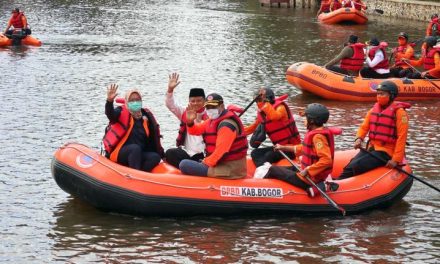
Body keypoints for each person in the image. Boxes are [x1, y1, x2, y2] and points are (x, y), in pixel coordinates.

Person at [262, 103, 339, 197]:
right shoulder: (317, 132)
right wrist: (283, 147)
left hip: (310, 178)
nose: (304, 120)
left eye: (306, 118)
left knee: (273, 169)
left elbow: (326, 160)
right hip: (309, 174)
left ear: (311, 121)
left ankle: (262, 190)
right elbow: (304, 149)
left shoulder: (318, 137)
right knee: (289, 168)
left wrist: (308, 170)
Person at [338, 81, 410, 180]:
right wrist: (358, 138)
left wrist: (396, 160)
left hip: (387, 152)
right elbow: (364, 127)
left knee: (357, 165)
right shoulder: (373, 110)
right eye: (378, 93)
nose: (379, 96)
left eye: (382, 94)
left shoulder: (400, 114)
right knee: (350, 165)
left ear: (391, 95)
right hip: (373, 148)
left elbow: (402, 137)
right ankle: (337, 183)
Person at [179, 93, 248, 179]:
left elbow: (221, 152)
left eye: (213, 107)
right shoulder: (212, 120)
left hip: (229, 169)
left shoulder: (226, 126)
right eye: (208, 107)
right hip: (219, 163)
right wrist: (190, 122)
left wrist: (204, 162)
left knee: (184, 164)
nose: (210, 110)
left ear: (222, 106)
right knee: (174, 155)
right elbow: (195, 131)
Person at [103, 84, 164, 172]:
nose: (135, 102)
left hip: (138, 153)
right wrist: (109, 101)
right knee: (135, 149)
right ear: (127, 101)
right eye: (132, 100)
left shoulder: (145, 116)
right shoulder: (121, 112)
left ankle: (141, 174)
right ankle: (135, 176)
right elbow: (110, 115)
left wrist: (162, 154)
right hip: (120, 152)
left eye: (137, 100)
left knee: (155, 157)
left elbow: (153, 139)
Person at [244, 87, 301, 168]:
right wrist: (237, 132)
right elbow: (252, 128)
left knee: (268, 155)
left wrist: (265, 103)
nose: (258, 103)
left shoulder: (281, 107)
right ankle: (262, 171)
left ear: (267, 99)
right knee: (254, 153)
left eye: (259, 100)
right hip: (279, 147)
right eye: (257, 101)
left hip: (291, 148)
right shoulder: (262, 113)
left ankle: (265, 172)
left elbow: (274, 116)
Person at [164, 72, 208, 168]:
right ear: (189, 101)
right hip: (187, 153)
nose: (196, 103)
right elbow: (170, 105)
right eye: (193, 101)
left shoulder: (210, 115)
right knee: (169, 153)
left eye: (199, 100)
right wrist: (170, 90)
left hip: (204, 154)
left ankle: (193, 167)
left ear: (204, 101)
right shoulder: (184, 112)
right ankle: (188, 168)